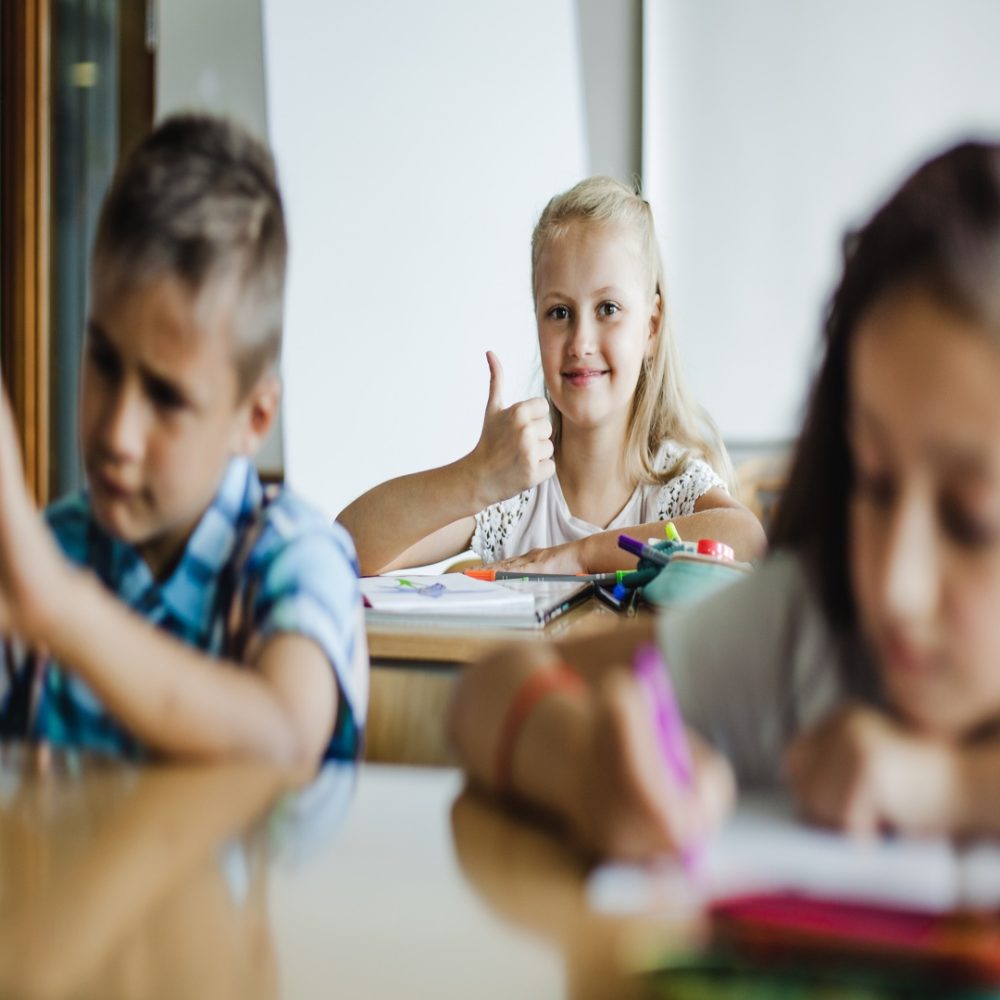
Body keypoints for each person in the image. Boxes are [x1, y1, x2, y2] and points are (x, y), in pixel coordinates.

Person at [448, 140, 1000, 859]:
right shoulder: (814, 628)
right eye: (874, 482)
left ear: (650, 324)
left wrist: (949, 787)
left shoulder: (681, 472)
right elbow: (480, 698)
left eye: (970, 520)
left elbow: (736, 528)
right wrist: (582, 767)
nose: (897, 585)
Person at [0, 113, 367, 766]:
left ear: (253, 419)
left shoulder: (295, 558)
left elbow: (283, 735)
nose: (118, 433)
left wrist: (58, 608)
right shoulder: (52, 547)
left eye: (166, 398)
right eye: (105, 364)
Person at [338, 177, 764, 575]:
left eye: (608, 309)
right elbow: (345, 548)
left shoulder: (675, 487)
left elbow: (747, 538)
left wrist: (581, 554)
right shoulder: (513, 490)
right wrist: (475, 477)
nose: (580, 342)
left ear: (651, 326)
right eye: (559, 312)